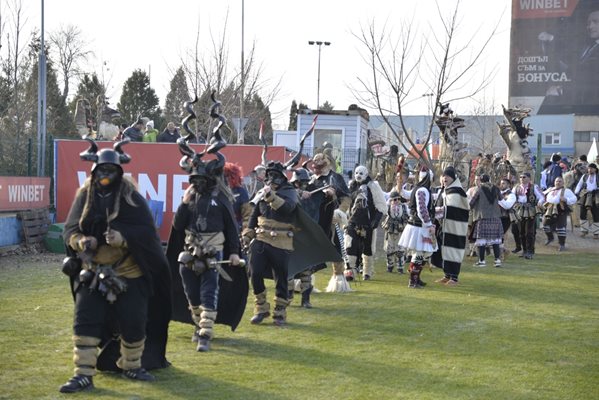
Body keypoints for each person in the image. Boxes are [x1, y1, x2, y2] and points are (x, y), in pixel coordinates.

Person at [59, 139, 172, 393]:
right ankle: (83, 374)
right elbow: (70, 230)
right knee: (84, 320)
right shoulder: (84, 197)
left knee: (134, 321)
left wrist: (124, 238)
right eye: (101, 171)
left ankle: (131, 365)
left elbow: (146, 233)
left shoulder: (132, 198)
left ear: (119, 173)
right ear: (94, 172)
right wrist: (80, 241)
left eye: (110, 171)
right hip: (94, 271)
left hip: (129, 272)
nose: (105, 176)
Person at [344, 165, 387, 280]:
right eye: (356, 173)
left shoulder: (373, 186)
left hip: (368, 223)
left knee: (367, 248)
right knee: (350, 246)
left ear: (366, 174)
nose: (358, 175)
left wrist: (375, 221)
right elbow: (347, 203)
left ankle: (367, 272)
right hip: (353, 221)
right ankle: (350, 272)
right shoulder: (352, 186)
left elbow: (381, 205)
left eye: (361, 173)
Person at [398, 165, 438, 288]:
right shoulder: (422, 190)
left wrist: (399, 184)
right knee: (419, 253)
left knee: (425, 253)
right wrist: (429, 224)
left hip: (418, 226)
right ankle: (413, 280)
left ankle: (416, 277)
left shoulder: (418, 189)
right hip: (419, 227)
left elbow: (404, 194)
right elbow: (422, 210)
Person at [431, 166, 469, 285]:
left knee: (453, 251)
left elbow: (451, 209)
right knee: (443, 251)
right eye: (443, 176)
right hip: (444, 227)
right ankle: (447, 275)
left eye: (447, 176)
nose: (444, 178)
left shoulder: (457, 191)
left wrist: (433, 211)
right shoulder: (444, 190)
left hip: (455, 228)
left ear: (453, 178)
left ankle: (454, 278)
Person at [469, 174, 504, 267]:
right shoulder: (496, 188)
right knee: (496, 240)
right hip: (496, 217)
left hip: (483, 217)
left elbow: (472, 202)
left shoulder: (479, 190)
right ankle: (497, 261)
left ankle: (482, 261)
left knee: (481, 240)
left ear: (481, 181)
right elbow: (501, 198)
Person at [513, 172, 545, 259]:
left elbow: (542, 197)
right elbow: (512, 197)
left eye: (524, 177)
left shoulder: (534, 187)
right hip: (519, 210)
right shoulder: (516, 187)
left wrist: (539, 202)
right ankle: (524, 251)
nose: (522, 179)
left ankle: (530, 251)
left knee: (529, 232)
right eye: (520, 177)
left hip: (530, 210)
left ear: (529, 178)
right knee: (521, 232)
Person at [542, 176, 577, 251]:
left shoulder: (567, 191)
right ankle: (550, 238)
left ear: (563, 182)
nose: (558, 183)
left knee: (560, 228)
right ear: (554, 182)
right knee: (545, 225)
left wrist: (566, 199)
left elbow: (574, 198)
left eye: (560, 181)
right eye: (556, 181)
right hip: (549, 210)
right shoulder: (550, 189)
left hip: (561, 210)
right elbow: (542, 195)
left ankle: (562, 244)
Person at [382, 190, 407, 274]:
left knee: (400, 249)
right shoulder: (387, 207)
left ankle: (400, 267)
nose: (396, 201)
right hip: (390, 231)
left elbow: (408, 216)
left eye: (398, 199)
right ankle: (390, 266)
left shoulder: (404, 207)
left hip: (400, 231)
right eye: (394, 199)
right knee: (389, 249)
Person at [574, 162, 599, 238]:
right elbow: (579, 185)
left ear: (595, 169)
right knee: (582, 214)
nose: (589, 169)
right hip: (584, 195)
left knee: (596, 214)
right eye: (588, 168)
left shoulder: (598, 176)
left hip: (595, 196)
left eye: (591, 168)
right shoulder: (584, 176)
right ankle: (584, 231)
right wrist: (576, 192)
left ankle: (596, 233)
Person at [497, 177, 517, 259]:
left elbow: (507, 206)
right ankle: (504, 251)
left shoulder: (511, 195)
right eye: (501, 183)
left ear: (508, 185)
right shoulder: (498, 193)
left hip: (505, 217)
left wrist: (498, 199)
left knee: (500, 235)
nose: (501, 185)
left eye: (503, 183)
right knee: (496, 235)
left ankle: (501, 253)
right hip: (496, 216)